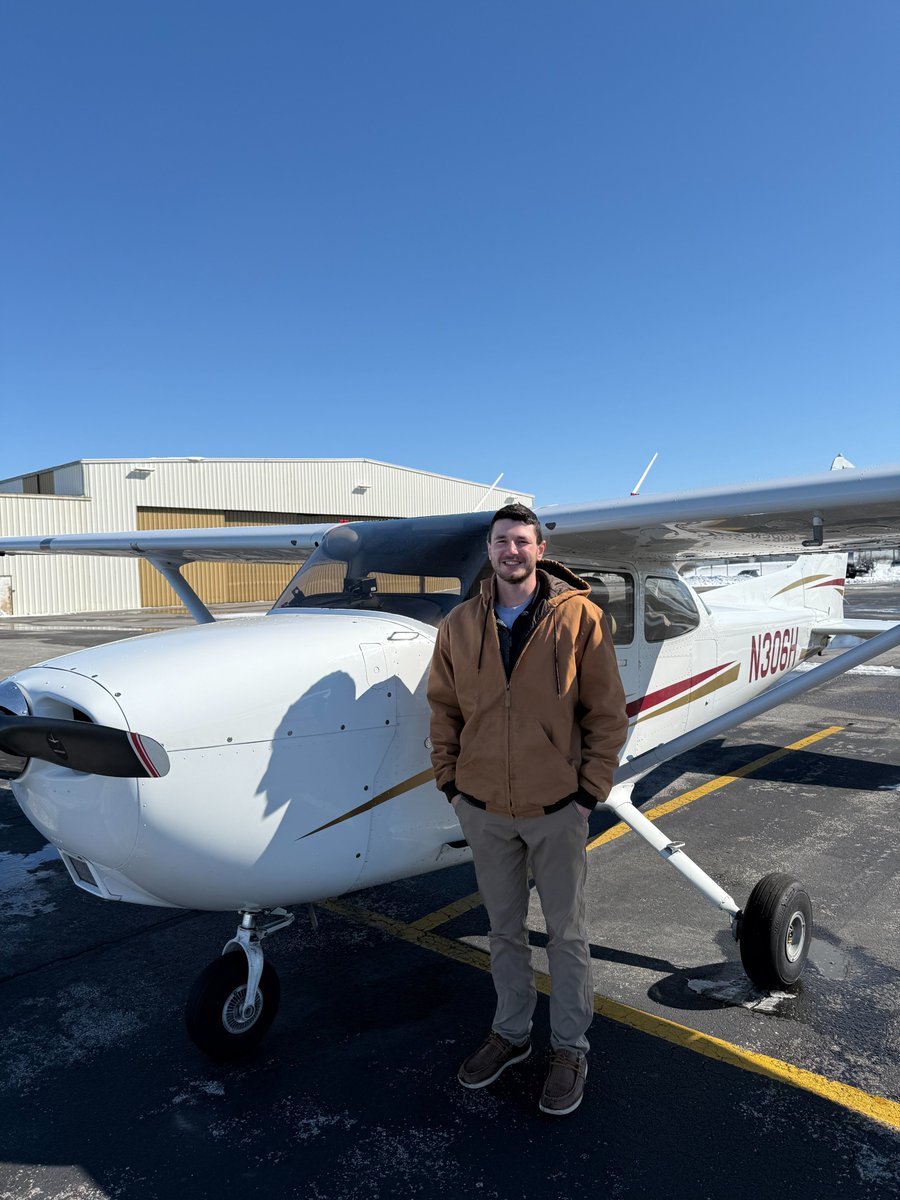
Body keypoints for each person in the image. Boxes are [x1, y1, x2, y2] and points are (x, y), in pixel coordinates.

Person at [427, 503, 628, 1116]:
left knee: (565, 934)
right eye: (499, 542)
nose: (510, 551)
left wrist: (587, 793)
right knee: (504, 932)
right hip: (484, 809)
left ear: (540, 549)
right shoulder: (459, 624)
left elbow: (607, 714)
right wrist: (451, 785)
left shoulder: (581, 617)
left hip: (556, 808)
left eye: (521, 541)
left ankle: (569, 1048)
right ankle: (512, 1035)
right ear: (488, 552)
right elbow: (444, 710)